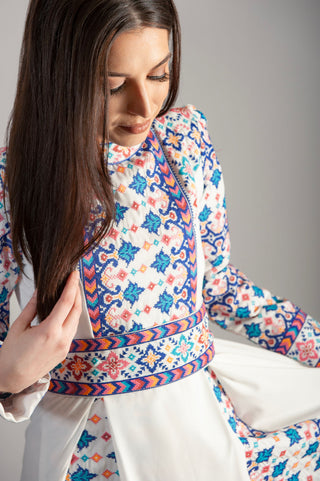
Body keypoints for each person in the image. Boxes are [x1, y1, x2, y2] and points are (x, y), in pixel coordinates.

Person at [0, 0, 319, 480]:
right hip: (81, 456)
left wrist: (313, 342)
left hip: (201, 427)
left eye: (159, 75)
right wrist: (8, 376)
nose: (145, 108)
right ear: (58, 75)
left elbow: (220, 285)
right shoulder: (12, 181)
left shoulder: (184, 145)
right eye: (113, 85)